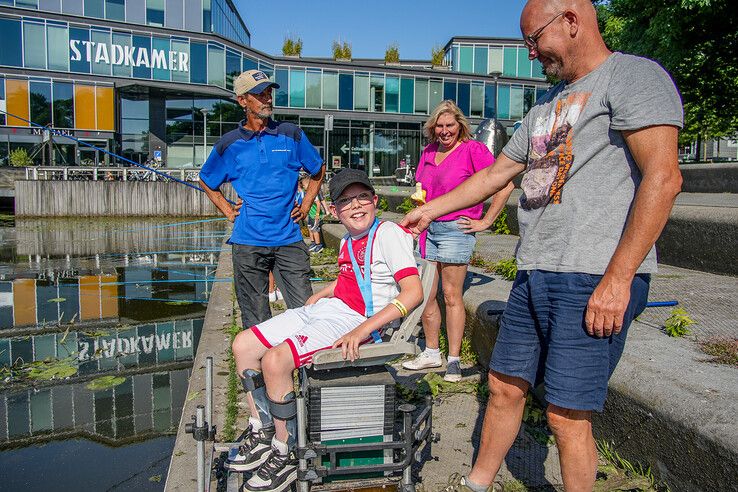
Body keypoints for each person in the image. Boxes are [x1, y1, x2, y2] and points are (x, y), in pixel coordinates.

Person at [402, 0, 683, 490]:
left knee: (566, 415)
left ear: (571, 21)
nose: (531, 53)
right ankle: (477, 483)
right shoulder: (545, 105)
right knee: (503, 386)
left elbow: (663, 178)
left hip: (593, 273)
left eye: (534, 39)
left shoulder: (633, 77)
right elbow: (495, 174)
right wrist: (431, 209)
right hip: (535, 271)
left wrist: (618, 279)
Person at [226, 169, 423, 492]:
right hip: (330, 309)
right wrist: (326, 290)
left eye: (362, 197)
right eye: (346, 201)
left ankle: (285, 449)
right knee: (244, 344)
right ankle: (261, 427)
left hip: (356, 321)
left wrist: (361, 331)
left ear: (375, 201)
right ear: (334, 211)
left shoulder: (387, 234)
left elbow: (412, 293)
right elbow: (357, 277)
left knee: (276, 361)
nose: (356, 206)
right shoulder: (348, 239)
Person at [199, 69, 325, 329]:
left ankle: (304, 366)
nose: (267, 98)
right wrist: (227, 209)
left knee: (306, 311)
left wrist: (307, 203)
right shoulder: (229, 144)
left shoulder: (290, 134)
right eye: (259, 94)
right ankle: (259, 369)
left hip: (289, 239)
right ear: (242, 100)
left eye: (269, 92)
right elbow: (206, 180)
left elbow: (317, 169)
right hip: (247, 243)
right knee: (255, 316)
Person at [402, 100, 514, 382]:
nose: (444, 131)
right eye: (439, 126)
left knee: (451, 296)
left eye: (449, 125)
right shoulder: (429, 151)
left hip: (455, 229)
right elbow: (424, 190)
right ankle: (430, 352)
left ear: (460, 126)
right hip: (427, 229)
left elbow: (505, 184)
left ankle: (453, 359)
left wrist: (486, 221)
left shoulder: (472, 150)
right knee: (426, 295)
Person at [301, 174, 325, 253]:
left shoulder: (312, 193)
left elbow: (318, 204)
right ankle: (313, 243)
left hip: (315, 215)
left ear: (308, 184)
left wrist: (317, 214)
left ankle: (319, 245)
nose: (303, 186)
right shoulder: (306, 193)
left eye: (303, 185)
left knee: (315, 230)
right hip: (311, 215)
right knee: (310, 228)